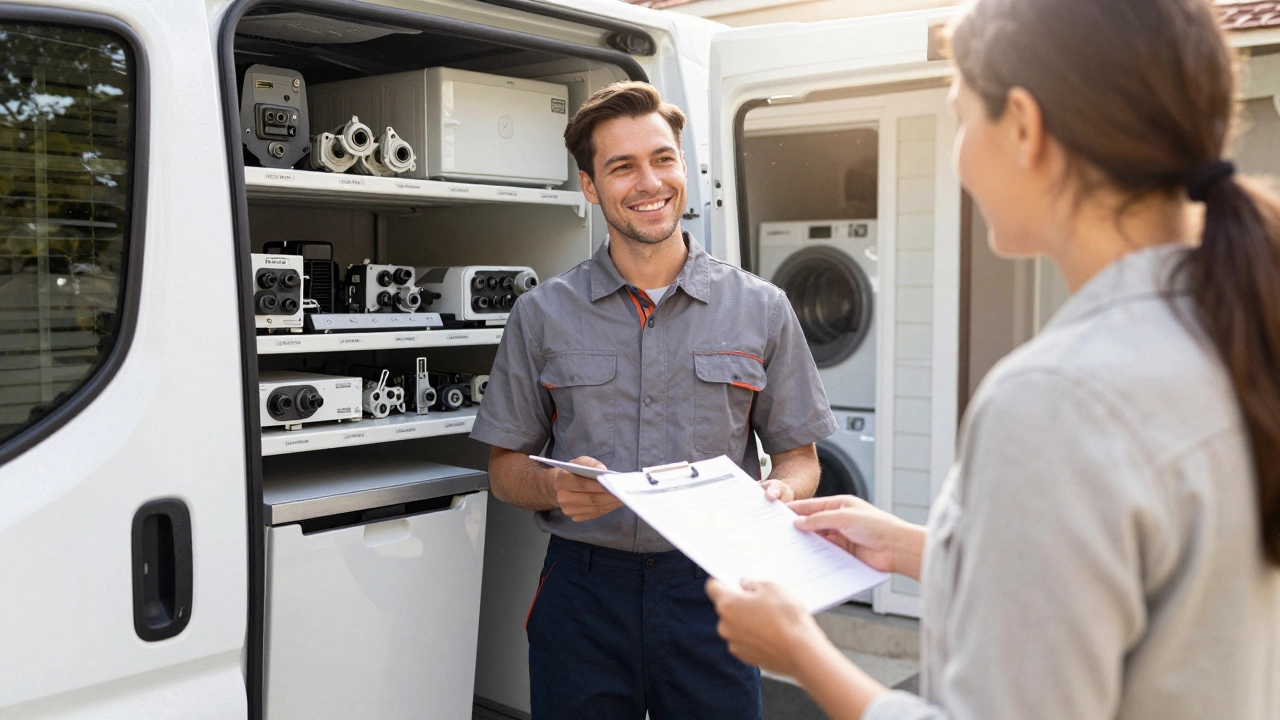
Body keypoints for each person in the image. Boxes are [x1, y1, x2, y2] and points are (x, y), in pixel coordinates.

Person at [706, 0, 1280, 718]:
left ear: (1025, 127)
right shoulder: (1235, 333)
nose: (959, 157)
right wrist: (924, 549)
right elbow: (1153, 598)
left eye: (959, 114)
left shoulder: (1057, 398)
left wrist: (802, 654)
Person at [470, 81, 838, 719]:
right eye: (622, 166)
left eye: (663, 159)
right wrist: (555, 488)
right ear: (590, 187)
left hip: (714, 588)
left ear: (683, 168)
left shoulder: (762, 308)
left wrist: (781, 493)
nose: (650, 182)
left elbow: (798, 457)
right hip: (584, 594)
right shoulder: (540, 316)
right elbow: (505, 470)